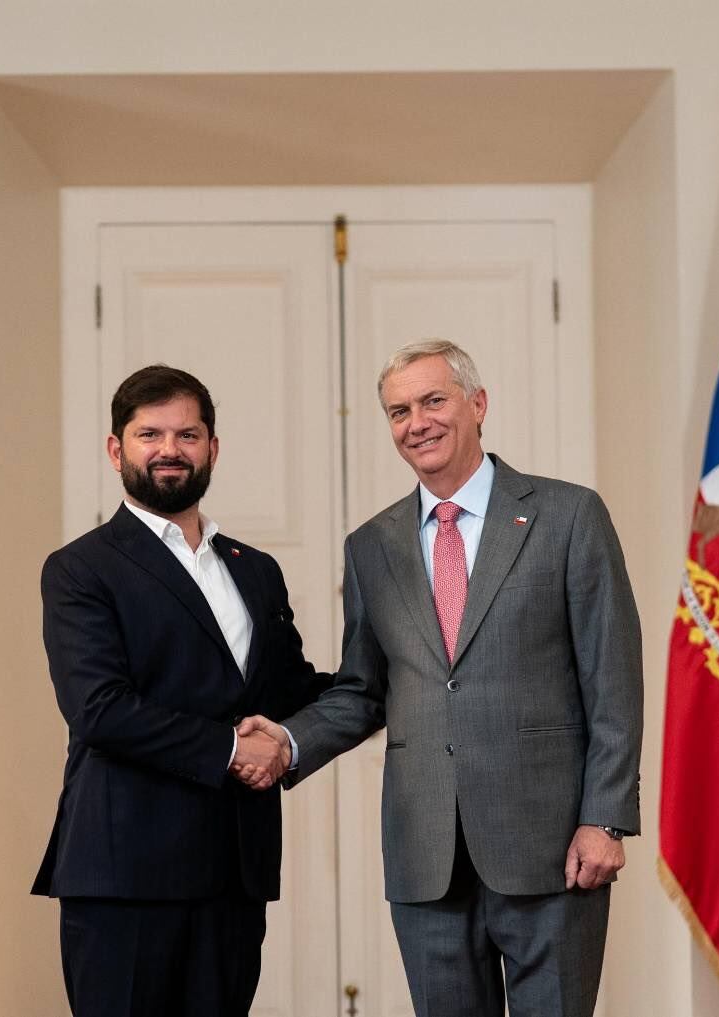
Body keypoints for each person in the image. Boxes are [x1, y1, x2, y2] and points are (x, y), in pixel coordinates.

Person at [239, 339, 643, 1017]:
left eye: (433, 400)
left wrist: (605, 817)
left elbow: (613, 679)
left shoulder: (569, 516)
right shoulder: (372, 546)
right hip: (425, 855)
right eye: (399, 411)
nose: (416, 422)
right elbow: (365, 689)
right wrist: (287, 738)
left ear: (477, 405)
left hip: (551, 851)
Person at [32, 365, 330, 1017]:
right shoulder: (81, 569)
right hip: (124, 875)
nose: (170, 448)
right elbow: (99, 708)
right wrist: (234, 749)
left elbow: (288, 689)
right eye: (150, 434)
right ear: (117, 449)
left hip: (233, 873)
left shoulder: (256, 570)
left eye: (187, 433)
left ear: (212, 448)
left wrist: (394, 676)